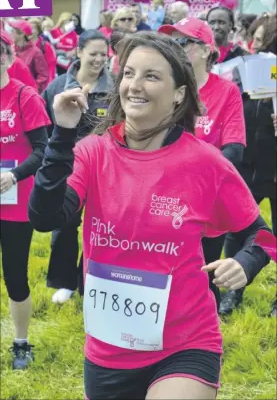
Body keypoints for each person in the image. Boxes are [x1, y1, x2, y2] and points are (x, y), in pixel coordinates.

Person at [29, 31, 274, 400]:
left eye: (151, 76)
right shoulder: (92, 152)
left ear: (179, 93)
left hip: (186, 344)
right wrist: (62, 134)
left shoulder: (205, 162)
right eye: (128, 73)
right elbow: (45, 217)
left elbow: (263, 234)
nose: (135, 85)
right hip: (108, 350)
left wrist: (246, 261)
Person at [159, 18, 246, 310]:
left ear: (207, 50)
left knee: (204, 269)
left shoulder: (226, 91)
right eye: (173, 43)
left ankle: (205, 335)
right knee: (163, 265)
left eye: (183, 42)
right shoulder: (166, 86)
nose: (177, 49)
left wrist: (196, 175)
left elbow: (234, 149)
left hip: (206, 195)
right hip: (162, 191)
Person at [42, 29, 113, 303]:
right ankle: (64, 281)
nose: (98, 60)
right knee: (65, 225)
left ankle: (90, 281)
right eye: (92, 54)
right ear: (79, 52)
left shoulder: (115, 86)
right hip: (68, 170)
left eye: (103, 55)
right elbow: (46, 129)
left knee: (101, 228)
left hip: (105, 170)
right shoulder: (58, 86)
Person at [221, 13, 277, 316]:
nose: (253, 47)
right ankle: (232, 290)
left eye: (259, 41)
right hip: (250, 165)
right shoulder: (243, 70)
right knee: (238, 229)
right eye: (252, 40)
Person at [0, 30, 50, 369]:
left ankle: (21, 342)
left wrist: (13, 175)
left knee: (14, 275)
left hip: (14, 203)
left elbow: (43, 150)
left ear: (8, 55)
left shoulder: (24, 96)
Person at [8, 19, 49, 93]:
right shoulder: (10, 50)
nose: (10, 34)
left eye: (12, 31)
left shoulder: (36, 52)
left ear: (22, 34)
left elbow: (43, 76)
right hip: (11, 94)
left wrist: (33, 92)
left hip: (27, 96)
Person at [29, 18, 56, 84]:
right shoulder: (24, 46)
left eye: (32, 28)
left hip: (43, 84)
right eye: (28, 28)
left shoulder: (46, 45)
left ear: (38, 30)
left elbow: (51, 66)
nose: (30, 30)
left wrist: (49, 84)